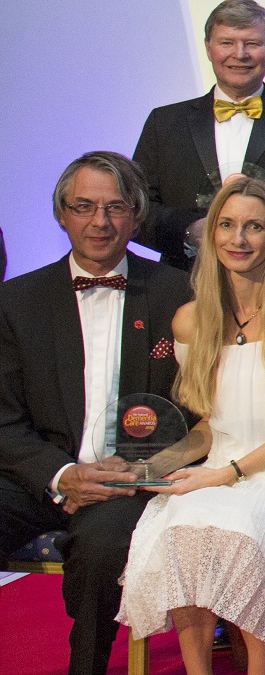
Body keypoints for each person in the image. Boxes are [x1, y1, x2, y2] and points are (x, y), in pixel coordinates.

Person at [117, 177, 265, 674]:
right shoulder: (189, 319)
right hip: (217, 467)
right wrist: (156, 464)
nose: (238, 239)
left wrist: (230, 473)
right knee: (180, 527)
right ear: (209, 234)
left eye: (253, 227)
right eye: (226, 225)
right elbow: (205, 426)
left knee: (237, 529)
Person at [0, 152, 194, 675]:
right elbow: (3, 422)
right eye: (83, 207)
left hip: (127, 479)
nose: (99, 222)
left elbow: (198, 412)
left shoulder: (180, 293)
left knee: (103, 548)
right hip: (39, 474)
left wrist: (137, 471)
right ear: (61, 214)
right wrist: (62, 476)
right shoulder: (16, 302)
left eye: (114, 207)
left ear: (136, 214)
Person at [132, 0, 265, 287]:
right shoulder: (164, 123)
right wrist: (191, 231)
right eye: (227, 42)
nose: (239, 54)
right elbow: (136, 206)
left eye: (252, 43)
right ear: (208, 48)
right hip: (185, 286)